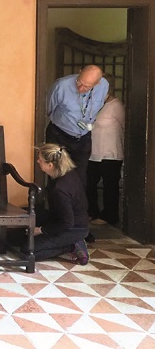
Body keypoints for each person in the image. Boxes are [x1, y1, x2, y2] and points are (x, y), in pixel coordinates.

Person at [46, 64, 108, 243]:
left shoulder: (104, 86)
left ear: (97, 84)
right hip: (59, 134)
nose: (80, 88)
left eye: (87, 87)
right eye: (79, 82)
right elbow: (49, 110)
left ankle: (80, 227)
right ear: (79, 72)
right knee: (57, 180)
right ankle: (57, 223)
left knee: (80, 181)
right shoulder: (61, 86)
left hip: (83, 137)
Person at [24, 143, 90, 265]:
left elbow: (67, 222)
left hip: (73, 228)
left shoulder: (60, 189)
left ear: (50, 165)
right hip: (61, 219)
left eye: (41, 160)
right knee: (26, 215)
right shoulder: (66, 174)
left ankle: (72, 246)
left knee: (28, 251)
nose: (38, 161)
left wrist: (41, 230)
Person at [86, 74, 125, 225]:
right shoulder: (95, 104)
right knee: (89, 183)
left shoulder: (117, 106)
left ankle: (110, 215)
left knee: (110, 186)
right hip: (93, 152)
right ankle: (92, 212)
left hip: (111, 153)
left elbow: (125, 127)